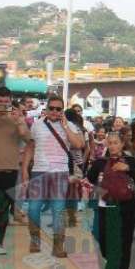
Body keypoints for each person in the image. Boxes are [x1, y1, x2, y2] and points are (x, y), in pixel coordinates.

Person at [22, 95, 85, 257]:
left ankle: (58, 245)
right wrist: (24, 171)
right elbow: (30, 148)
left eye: (58, 109)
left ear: (62, 111)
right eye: (52, 108)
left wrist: (65, 127)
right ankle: (35, 239)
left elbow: (79, 144)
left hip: (60, 173)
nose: (55, 111)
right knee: (33, 208)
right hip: (39, 171)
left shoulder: (69, 125)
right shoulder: (37, 125)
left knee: (58, 210)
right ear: (47, 109)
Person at [86, 132, 135, 269]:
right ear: (106, 144)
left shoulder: (130, 161)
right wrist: (103, 193)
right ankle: (112, 259)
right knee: (104, 238)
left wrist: (127, 168)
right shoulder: (100, 162)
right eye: (110, 143)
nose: (113, 146)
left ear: (121, 144)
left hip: (126, 206)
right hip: (105, 206)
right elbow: (91, 180)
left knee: (124, 240)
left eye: (116, 143)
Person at [0, 87, 31, 255]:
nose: (3, 105)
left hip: (9, 172)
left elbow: (28, 138)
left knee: (3, 211)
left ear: (10, 101)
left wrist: (20, 119)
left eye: (6, 102)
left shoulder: (15, 119)